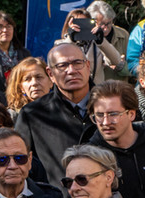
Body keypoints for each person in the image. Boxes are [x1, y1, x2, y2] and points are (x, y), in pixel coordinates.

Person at [14, 42, 94, 186]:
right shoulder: (33, 114)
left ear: (88, 66)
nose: (71, 70)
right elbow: (21, 166)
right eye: (62, 66)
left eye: (77, 63)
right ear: (50, 74)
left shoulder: (113, 105)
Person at [57, 7, 124, 85]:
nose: (81, 27)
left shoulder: (97, 44)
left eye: (85, 23)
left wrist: (102, 41)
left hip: (96, 92)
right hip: (73, 90)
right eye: (78, 23)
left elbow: (116, 60)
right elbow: (59, 62)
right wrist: (71, 39)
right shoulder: (60, 44)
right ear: (69, 25)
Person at [87, 1, 130, 75]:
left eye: (108, 23)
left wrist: (121, 67)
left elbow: (132, 63)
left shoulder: (123, 34)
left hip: (118, 83)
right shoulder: (86, 37)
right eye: (101, 24)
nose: (105, 28)